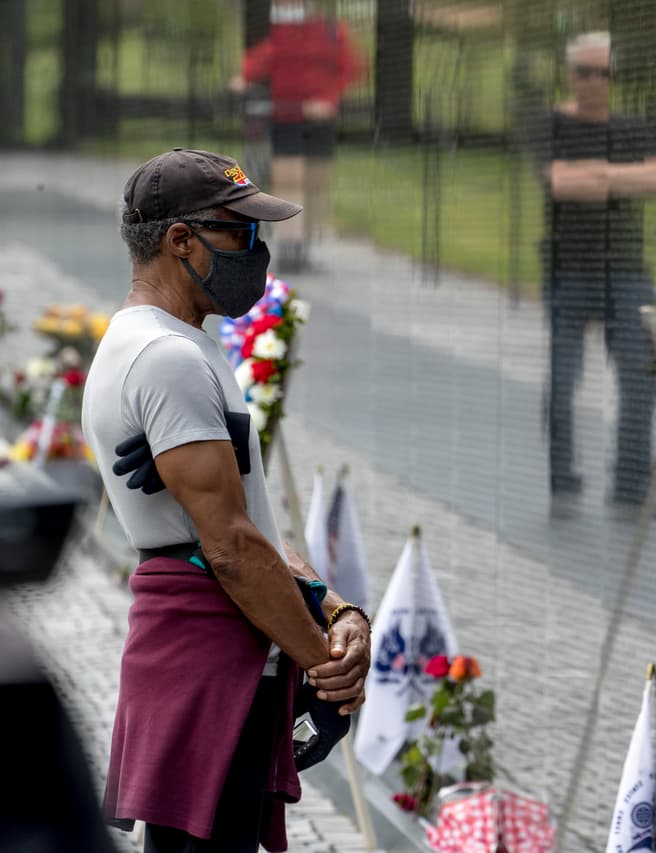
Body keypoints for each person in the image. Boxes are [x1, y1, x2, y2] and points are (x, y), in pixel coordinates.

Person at [82, 148, 372, 852]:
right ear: (180, 240)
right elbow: (231, 546)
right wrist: (324, 667)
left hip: (204, 649)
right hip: (210, 656)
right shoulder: (167, 358)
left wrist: (335, 607)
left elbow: (246, 526)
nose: (258, 250)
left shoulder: (169, 345)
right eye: (238, 232)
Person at [537, 31, 656, 519]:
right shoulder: (552, 124)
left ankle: (632, 487)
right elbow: (559, 183)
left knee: (639, 378)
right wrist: (618, 176)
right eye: (585, 72)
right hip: (568, 270)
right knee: (563, 379)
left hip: (626, 269)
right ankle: (562, 483)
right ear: (570, 75)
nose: (595, 82)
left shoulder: (632, 127)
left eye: (605, 73)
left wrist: (594, 174)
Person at [231, 0, 364, 272]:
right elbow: (266, 57)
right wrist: (245, 77)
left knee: (315, 184)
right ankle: (290, 249)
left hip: (319, 121)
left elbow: (351, 69)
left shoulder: (332, 32)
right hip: (286, 117)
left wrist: (328, 100)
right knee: (288, 180)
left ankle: (305, 245)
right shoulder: (282, 31)